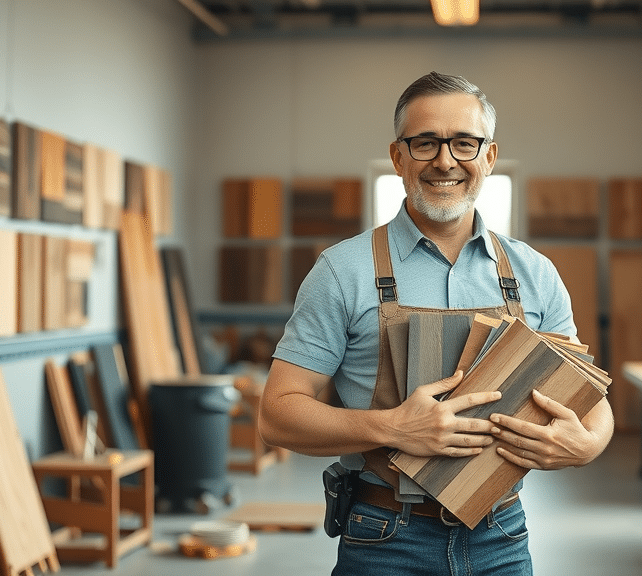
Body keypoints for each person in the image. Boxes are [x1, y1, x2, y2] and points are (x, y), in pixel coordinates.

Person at [259, 71, 614, 575]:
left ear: (489, 157)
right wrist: (393, 427)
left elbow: (592, 403)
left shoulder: (535, 273)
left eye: (464, 143)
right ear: (398, 156)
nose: (445, 160)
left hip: (503, 537)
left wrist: (588, 444)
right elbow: (276, 414)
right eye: (425, 143)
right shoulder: (342, 271)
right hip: (385, 539)